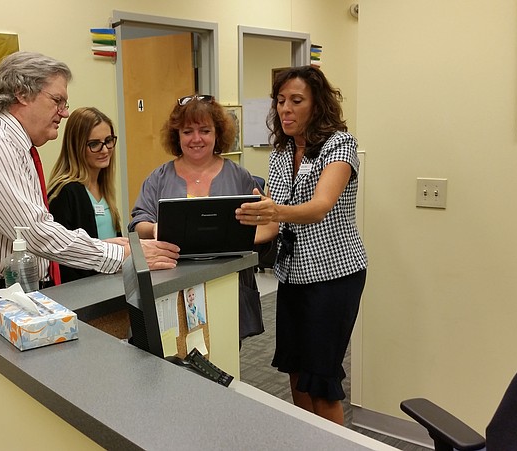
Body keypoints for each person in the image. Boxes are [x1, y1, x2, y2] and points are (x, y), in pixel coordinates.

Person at [0, 51, 179, 451]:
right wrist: (121, 256)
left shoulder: (15, 145)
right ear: (22, 94)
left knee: (8, 421)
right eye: (57, 101)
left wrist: (110, 244)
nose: (63, 111)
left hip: (1, 298)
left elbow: (32, 232)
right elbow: (36, 234)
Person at [235, 65, 367, 425]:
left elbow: (321, 206)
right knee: (295, 372)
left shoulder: (340, 145)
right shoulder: (281, 153)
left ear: (317, 104)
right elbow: (272, 224)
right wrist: (230, 242)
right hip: (293, 277)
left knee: (320, 380)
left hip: (333, 276)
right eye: (280, 101)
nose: (285, 109)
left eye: (296, 101)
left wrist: (272, 209)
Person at [129, 94, 271, 341]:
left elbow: (269, 223)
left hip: (227, 284)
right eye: (187, 131)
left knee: (224, 352)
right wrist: (153, 228)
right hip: (173, 285)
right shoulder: (158, 178)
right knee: (176, 349)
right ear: (177, 136)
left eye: (205, 130)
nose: (196, 139)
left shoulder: (239, 177)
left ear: (218, 134)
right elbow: (137, 223)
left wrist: (243, 238)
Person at [47, 107, 121, 283]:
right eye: (94, 144)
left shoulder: (103, 186)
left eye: (108, 141)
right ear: (76, 146)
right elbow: (63, 259)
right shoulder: (64, 192)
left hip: (111, 286)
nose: (105, 150)